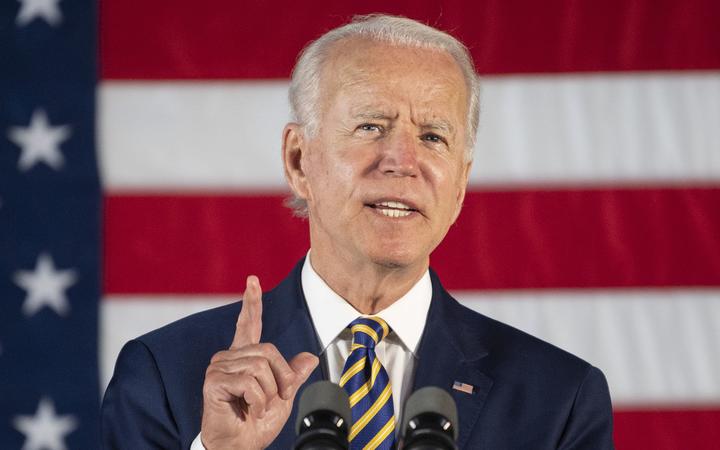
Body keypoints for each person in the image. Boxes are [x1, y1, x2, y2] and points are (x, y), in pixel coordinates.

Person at [101, 14, 614, 450]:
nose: (404, 162)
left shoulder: (559, 400)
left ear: (460, 183)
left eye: (433, 136)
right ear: (299, 159)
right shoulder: (165, 376)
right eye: (371, 126)